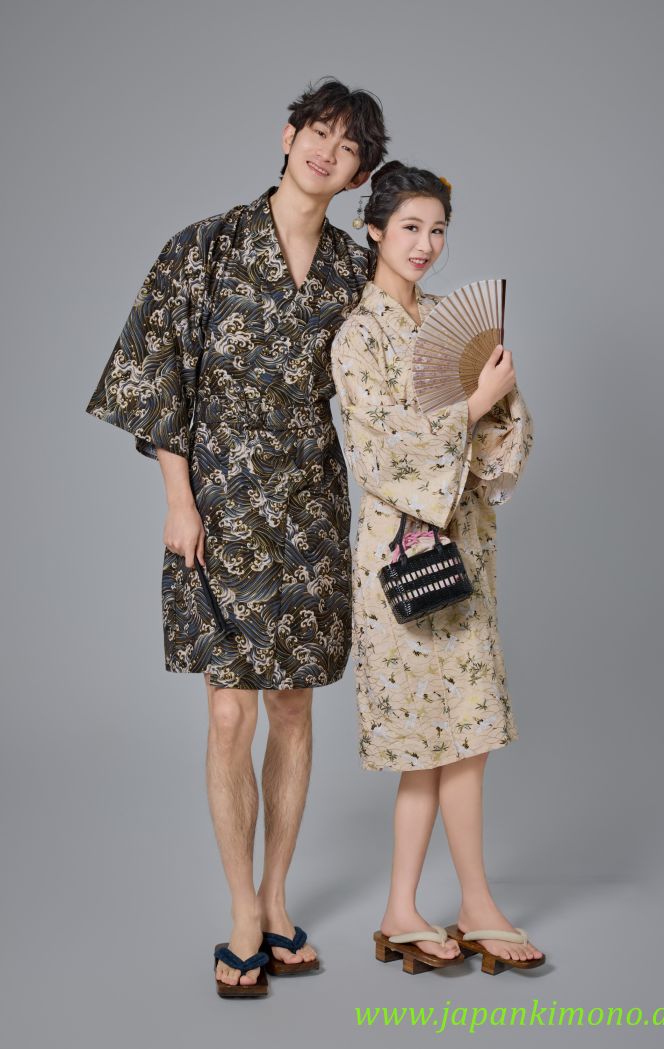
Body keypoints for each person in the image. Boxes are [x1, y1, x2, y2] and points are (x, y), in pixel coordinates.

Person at [85, 77, 389, 996]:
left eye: (347, 146)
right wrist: (178, 501)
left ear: (358, 174)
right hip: (218, 511)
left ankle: (278, 896)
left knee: (293, 708)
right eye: (317, 131)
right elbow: (157, 376)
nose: (325, 151)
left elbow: (392, 377)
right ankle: (241, 913)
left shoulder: (352, 272)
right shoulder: (204, 247)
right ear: (288, 134)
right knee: (229, 712)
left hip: (311, 509)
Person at [330, 161, 544, 976]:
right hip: (403, 552)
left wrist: (502, 402)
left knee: (469, 733)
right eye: (410, 227)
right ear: (375, 229)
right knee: (421, 740)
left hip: (467, 546)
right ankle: (412, 906)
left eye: (438, 230)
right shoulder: (359, 335)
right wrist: (476, 403)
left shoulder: (448, 321)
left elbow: (500, 449)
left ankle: (457, 904)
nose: (425, 244)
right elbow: (382, 453)